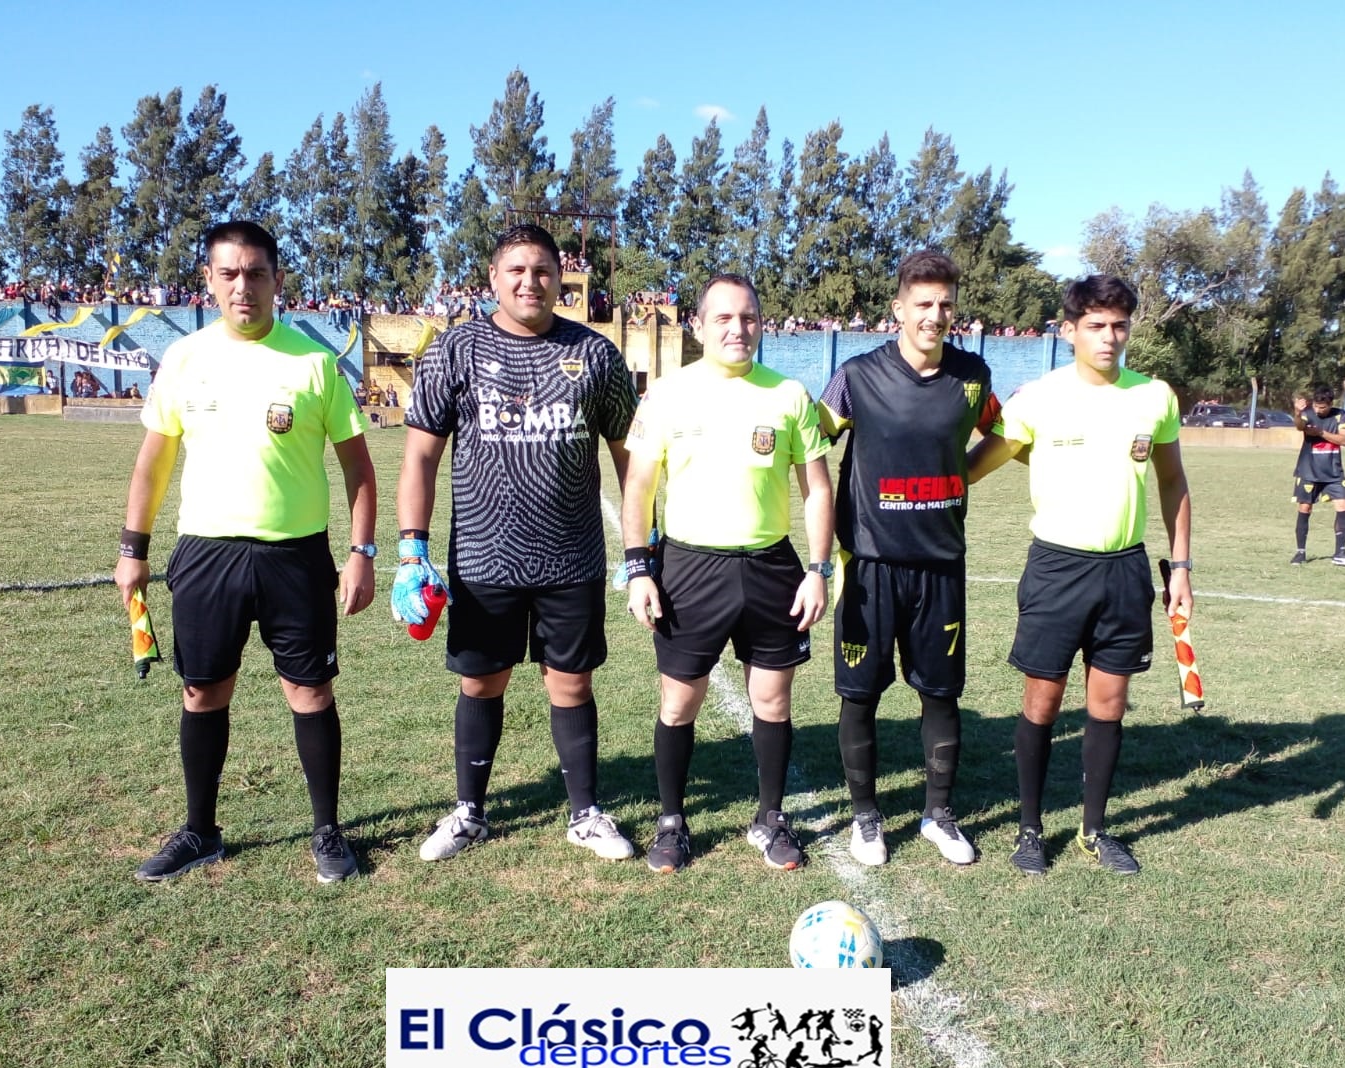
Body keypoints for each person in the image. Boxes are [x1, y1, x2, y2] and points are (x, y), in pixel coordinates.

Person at [115, 220, 377, 885]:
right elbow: (152, 463)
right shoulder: (184, 359)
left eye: (256, 273)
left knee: (310, 691)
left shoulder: (314, 362)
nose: (243, 286)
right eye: (228, 274)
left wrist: (362, 552)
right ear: (209, 281)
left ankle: (327, 831)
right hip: (207, 553)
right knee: (202, 691)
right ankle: (200, 830)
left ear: (277, 281)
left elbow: (359, 469)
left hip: (296, 556)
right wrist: (132, 548)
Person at [395, 223, 639, 863]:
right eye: (517, 271)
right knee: (480, 684)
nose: (531, 282)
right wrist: (410, 550)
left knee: (572, 684)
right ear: (493, 280)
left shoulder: (595, 356)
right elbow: (420, 455)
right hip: (483, 559)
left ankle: (585, 814)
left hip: (572, 557)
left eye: (543, 271)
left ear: (562, 279)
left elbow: (628, 455)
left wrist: (643, 543)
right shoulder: (456, 350)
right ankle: (469, 811)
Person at [967, 274, 1192, 877]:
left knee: (1110, 703)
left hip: (1125, 569)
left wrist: (1184, 566)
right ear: (1068, 331)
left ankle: (1095, 830)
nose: (1109, 337)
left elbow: (1172, 482)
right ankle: (1030, 831)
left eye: (1119, 325)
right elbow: (969, 470)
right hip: (1056, 568)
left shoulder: (1154, 397)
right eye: (1095, 325)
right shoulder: (1037, 398)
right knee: (1042, 702)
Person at [622, 273, 834, 873]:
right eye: (723, 318)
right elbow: (638, 483)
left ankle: (771, 819)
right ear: (698, 325)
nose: (738, 329)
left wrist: (817, 569)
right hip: (689, 567)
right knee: (679, 701)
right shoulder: (666, 394)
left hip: (771, 567)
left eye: (748, 317)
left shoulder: (789, 394)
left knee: (772, 698)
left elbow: (817, 490)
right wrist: (640, 569)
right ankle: (672, 821)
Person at [817, 250, 1000, 868]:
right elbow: (810, 443)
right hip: (869, 564)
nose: (935, 315)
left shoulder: (973, 376)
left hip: (941, 564)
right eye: (923, 303)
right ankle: (866, 817)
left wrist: (963, 474)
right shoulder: (856, 376)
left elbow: (1004, 433)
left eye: (945, 303)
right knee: (860, 695)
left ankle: (938, 814)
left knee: (941, 693)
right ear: (899, 308)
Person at [1289, 385, 1345, 566]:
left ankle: (1340, 553)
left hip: (1333, 472)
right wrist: (1297, 412)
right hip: (1308, 470)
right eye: (1316, 406)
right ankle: (1300, 553)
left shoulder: (1341, 415)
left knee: (1343, 506)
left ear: (1331, 404)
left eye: (1322, 408)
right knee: (1305, 509)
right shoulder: (1307, 413)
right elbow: (1299, 426)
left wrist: (1321, 433)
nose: (1318, 410)